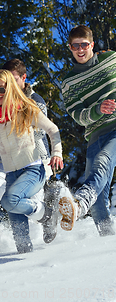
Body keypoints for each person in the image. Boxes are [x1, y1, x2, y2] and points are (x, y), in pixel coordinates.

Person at [0, 69, 63, 253]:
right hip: (11, 173)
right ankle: (23, 267)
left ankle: (48, 215)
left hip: (33, 170)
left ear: (10, 88)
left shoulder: (26, 109)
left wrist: (57, 152)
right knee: (22, 243)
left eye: (1, 89)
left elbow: (52, 129)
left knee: (10, 200)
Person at [58, 25, 116, 235]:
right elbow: (77, 115)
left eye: (84, 44)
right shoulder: (68, 82)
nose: (80, 49)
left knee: (102, 162)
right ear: (70, 47)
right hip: (96, 134)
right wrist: (97, 110)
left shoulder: (111, 60)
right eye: (75, 46)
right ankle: (108, 241)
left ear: (91, 44)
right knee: (99, 202)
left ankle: (79, 203)